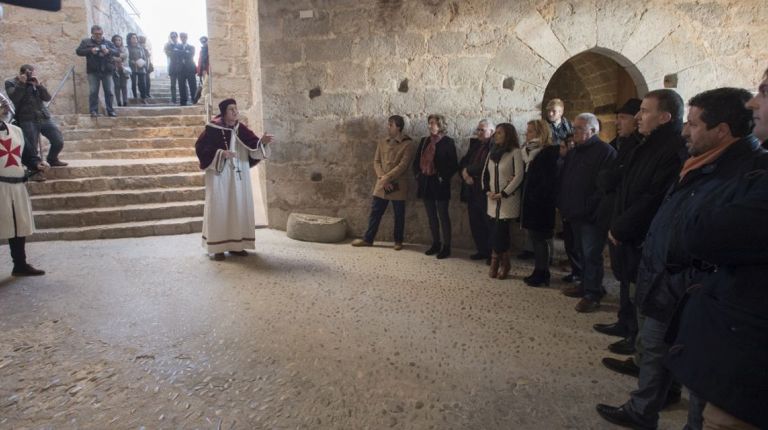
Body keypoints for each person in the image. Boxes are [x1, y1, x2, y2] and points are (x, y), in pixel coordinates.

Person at [596, 87, 762, 430]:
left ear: (721, 131)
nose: (687, 131)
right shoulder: (700, 162)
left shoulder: (742, 173)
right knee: (656, 347)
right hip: (667, 276)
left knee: (692, 365)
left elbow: (709, 233)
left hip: (692, 286)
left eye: (694, 124)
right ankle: (644, 408)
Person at [664, 72, 768, 430]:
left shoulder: (743, 171)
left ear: (721, 130)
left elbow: (702, 234)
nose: (753, 103)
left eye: (765, 92)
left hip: (745, 359)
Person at [595, 94, 685, 363]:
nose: (637, 118)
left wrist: (621, 226)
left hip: (641, 235)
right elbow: (621, 184)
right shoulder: (645, 146)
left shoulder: (670, 150)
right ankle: (631, 334)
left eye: (644, 112)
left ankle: (640, 352)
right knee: (629, 285)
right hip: (627, 228)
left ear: (665, 117)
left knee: (641, 294)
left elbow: (653, 197)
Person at [195, 99, 273, 260]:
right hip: (220, 176)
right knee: (220, 208)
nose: (235, 112)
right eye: (231, 109)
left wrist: (262, 143)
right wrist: (221, 154)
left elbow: (253, 148)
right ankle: (217, 248)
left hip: (239, 176)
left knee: (238, 207)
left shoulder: (241, 128)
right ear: (224, 113)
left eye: (236, 109)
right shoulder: (212, 129)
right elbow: (201, 149)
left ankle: (237, 245)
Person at [558, 113, 616, 312]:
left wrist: (590, 208)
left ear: (593, 131)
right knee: (581, 252)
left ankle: (593, 294)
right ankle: (585, 285)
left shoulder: (605, 152)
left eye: (579, 128)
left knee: (591, 254)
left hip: (591, 216)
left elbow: (604, 188)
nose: (574, 132)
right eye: (574, 128)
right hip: (573, 212)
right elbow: (567, 179)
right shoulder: (575, 152)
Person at [350, 115, 415, 250]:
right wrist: (382, 178)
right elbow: (376, 161)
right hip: (382, 183)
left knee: (399, 214)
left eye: (390, 125)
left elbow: (403, 165)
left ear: (398, 127)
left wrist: (387, 178)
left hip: (398, 185)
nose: (388, 127)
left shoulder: (408, 144)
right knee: (375, 212)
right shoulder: (382, 142)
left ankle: (398, 241)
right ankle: (368, 239)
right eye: (388, 124)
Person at [0, 93, 45, 277]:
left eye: (4, 105)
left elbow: (26, 154)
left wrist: (36, 163)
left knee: (19, 225)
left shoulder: (15, 130)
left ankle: (20, 264)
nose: (3, 108)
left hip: (17, 186)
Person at [4, 64, 67, 182]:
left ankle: (52, 159)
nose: (31, 75)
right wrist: (22, 84)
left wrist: (39, 85)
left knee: (58, 140)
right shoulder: (11, 82)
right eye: (30, 73)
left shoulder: (35, 82)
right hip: (26, 119)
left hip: (43, 117)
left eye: (32, 73)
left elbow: (47, 98)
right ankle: (34, 170)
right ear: (22, 73)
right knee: (32, 148)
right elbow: (15, 98)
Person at [482, 123, 524, 280]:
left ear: (508, 135)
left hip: (507, 200)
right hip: (492, 199)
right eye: (496, 133)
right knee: (495, 231)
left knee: (500, 232)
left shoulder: (515, 152)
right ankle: (504, 261)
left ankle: (496, 261)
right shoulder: (492, 153)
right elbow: (485, 174)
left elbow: (519, 175)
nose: (496, 135)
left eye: (499, 133)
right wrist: (487, 190)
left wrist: (503, 193)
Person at [520, 119, 559, 286]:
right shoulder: (528, 152)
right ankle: (538, 270)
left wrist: (536, 197)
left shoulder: (547, 153)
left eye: (530, 131)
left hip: (541, 204)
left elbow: (547, 181)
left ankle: (543, 273)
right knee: (536, 238)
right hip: (532, 202)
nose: (526, 134)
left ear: (539, 133)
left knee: (541, 239)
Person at [413, 114, 458, 259]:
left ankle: (447, 246)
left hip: (440, 184)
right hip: (426, 183)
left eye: (432, 123)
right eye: (429, 123)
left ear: (440, 125)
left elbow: (453, 165)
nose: (429, 125)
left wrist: (442, 177)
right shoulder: (424, 141)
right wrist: (418, 176)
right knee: (431, 216)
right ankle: (436, 243)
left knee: (443, 215)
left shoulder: (448, 142)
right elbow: (416, 162)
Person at [459, 119, 494, 261]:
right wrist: (464, 174)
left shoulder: (494, 147)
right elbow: (463, 162)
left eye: (482, 130)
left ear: (491, 132)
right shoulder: (475, 145)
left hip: (485, 189)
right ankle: (482, 250)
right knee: (475, 221)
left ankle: (493, 254)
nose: (479, 132)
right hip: (472, 188)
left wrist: (467, 170)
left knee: (488, 223)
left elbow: (485, 165)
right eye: (478, 130)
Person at [76, 24, 118, 117]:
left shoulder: (108, 43)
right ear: (92, 33)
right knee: (93, 91)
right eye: (96, 34)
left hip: (107, 70)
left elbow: (117, 52)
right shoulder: (86, 42)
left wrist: (108, 51)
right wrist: (91, 50)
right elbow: (78, 51)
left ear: (102, 33)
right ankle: (93, 111)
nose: (99, 35)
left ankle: (110, 110)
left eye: (100, 33)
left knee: (109, 91)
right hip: (93, 71)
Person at [126, 32, 148, 102]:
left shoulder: (140, 48)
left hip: (141, 68)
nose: (135, 39)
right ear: (129, 39)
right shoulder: (127, 48)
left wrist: (143, 64)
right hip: (132, 68)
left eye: (135, 38)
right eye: (133, 38)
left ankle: (143, 98)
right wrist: (132, 62)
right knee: (133, 83)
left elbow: (144, 57)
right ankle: (135, 98)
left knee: (143, 84)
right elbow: (126, 58)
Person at [178, 32, 197, 106]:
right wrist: (185, 52)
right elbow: (174, 55)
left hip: (190, 69)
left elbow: (191, 55)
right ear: (180, 38)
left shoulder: (192, 47)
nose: (183, 38)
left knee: (193, 86)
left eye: (184, 37)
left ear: (187, 38)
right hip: (180, 69)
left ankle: (194, 100)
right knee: (181, 86)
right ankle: (183, 101)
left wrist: (180, 52)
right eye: (182, 37)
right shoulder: (177, 47)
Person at [111, 34, 130, 107]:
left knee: (124, 86)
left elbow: (125, 55)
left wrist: (116, 57)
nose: (118, 41)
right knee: (117, 86)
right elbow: (111, 57)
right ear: (113, 41)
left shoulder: (125, 48)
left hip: (124, 69)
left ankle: (125, 101)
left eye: (119, 40)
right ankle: (118, 102)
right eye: (116, 40)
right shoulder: (111, 48)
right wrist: (117, 58)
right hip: (115, 69)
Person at [164, 32, 181, 105]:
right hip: (172, 67)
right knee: (173, 85)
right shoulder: (168, 46)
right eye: (172, 37)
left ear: (177, 37)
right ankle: (174, 100)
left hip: (180, 68)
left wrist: (175, 52)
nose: (174, 38)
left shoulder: (180, 45)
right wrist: (176, 52)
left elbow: (182, 54)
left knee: (182, 85)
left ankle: (183, 98)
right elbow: (168, 54)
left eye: (175, 36)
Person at [195, 36, 209, 106]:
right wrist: (199, 72)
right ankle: (205, 100)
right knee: (205, 85)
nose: (204, 43)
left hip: (208, 70)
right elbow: (200, 61)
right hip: (203, 71)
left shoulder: (209, 49)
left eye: (205, 41)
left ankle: (202, 100)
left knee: (206, 85)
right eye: (202, 42)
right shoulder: (202, 50)